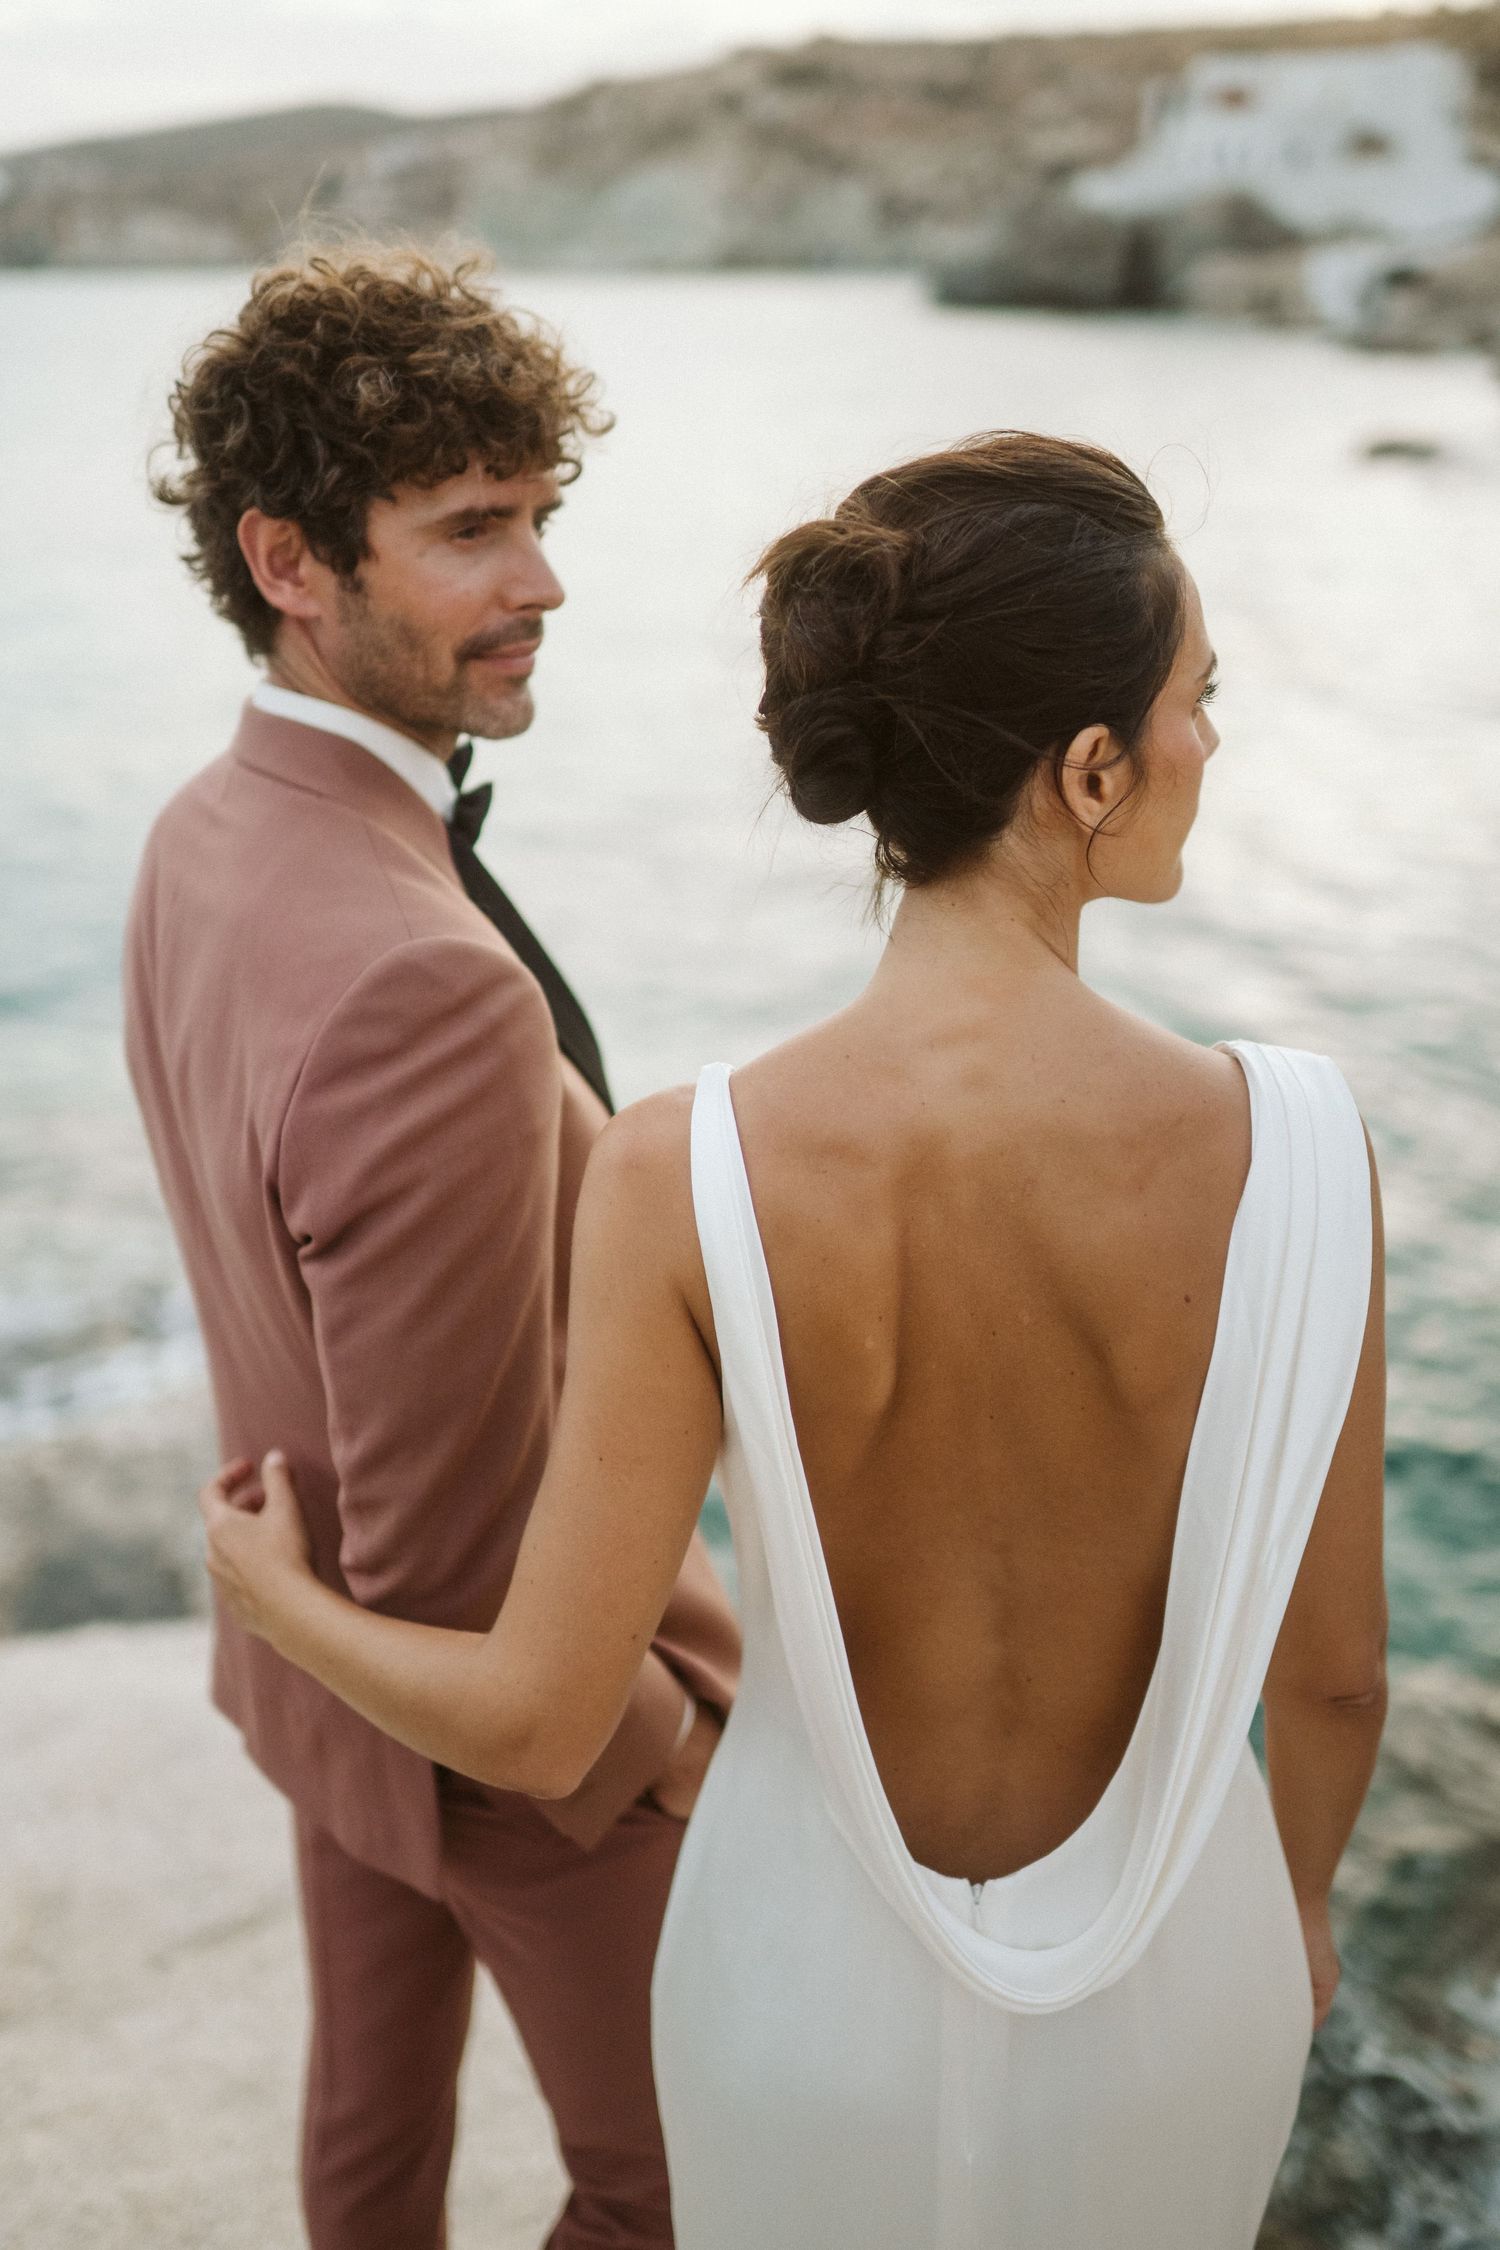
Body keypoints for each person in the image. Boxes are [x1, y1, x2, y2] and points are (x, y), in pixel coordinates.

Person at [200, 432, 1388, 2250]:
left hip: (794, 1996)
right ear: (1085, 770)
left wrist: (274, 1593)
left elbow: (534, 1717)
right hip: (1177, 1985)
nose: (1207, 745)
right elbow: (1332, 1687)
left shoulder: (687, 1165)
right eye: (1192, 701)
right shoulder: (1302, 1145)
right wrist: (1287, 1914)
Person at [125, 244, 740, 2250]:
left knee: (369, 2146)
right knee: (686, 2192)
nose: (543, 580)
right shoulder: (422, 977)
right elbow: (474, 1560)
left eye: (542, 518)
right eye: (473, 530)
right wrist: (660, 1738)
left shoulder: (201, 835)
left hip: (322, 1675)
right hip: (512, 1741)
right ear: (289, 559)